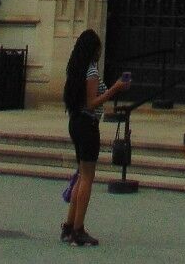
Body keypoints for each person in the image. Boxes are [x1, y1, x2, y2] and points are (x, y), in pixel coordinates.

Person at [61, 29, 131, 246]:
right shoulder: (90, 71)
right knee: (87, 178)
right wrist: (116, 88)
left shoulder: (75, 68)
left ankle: (69, 225)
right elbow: (92, 103)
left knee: (81, 176)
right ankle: (78, 230)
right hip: (87, 125)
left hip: (75, 122)